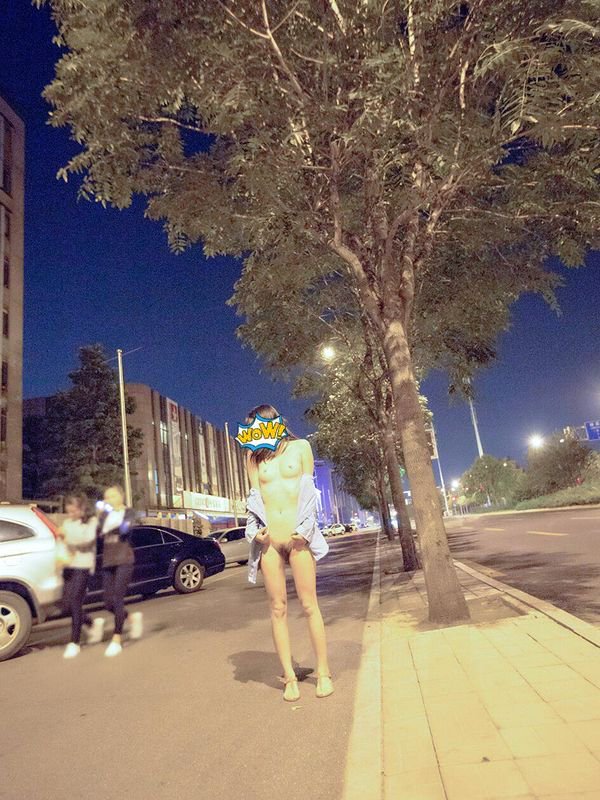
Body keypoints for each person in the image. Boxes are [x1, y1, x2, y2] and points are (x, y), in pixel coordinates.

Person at [244, 405, 334, 702]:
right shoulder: (253, 458)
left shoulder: (301, 447)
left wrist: (306, 530)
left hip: (298, 541)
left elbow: (310, 495)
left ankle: (323, 673)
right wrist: (253, 531)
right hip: (269, 543)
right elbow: (253, 500)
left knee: (309, 605)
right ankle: (290, 677)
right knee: (277, 609)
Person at [97, 485, 143, 657]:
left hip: (124, 559)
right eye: (106, 497)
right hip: (108, 561)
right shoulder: (105, 515)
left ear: (121, 496)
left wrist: (108, 527)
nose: (108, 500)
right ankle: (130, 617)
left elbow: (124, 530)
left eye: (112, 496)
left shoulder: (129, 512)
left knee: (117, 598)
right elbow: (99, 534)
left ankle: (116, 639)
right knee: (107, 602)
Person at [58, 494, 104, 659]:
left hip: (83, 566)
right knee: (66, 606)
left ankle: (74, 643)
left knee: (76, 602)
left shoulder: (91, 522)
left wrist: (66, 539)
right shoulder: (67, 523)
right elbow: (61, 544)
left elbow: (87, 543)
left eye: (73, 511)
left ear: (82, 509)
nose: (70, 514)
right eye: (68, 511)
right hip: (68, 565)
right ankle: (92, 623)